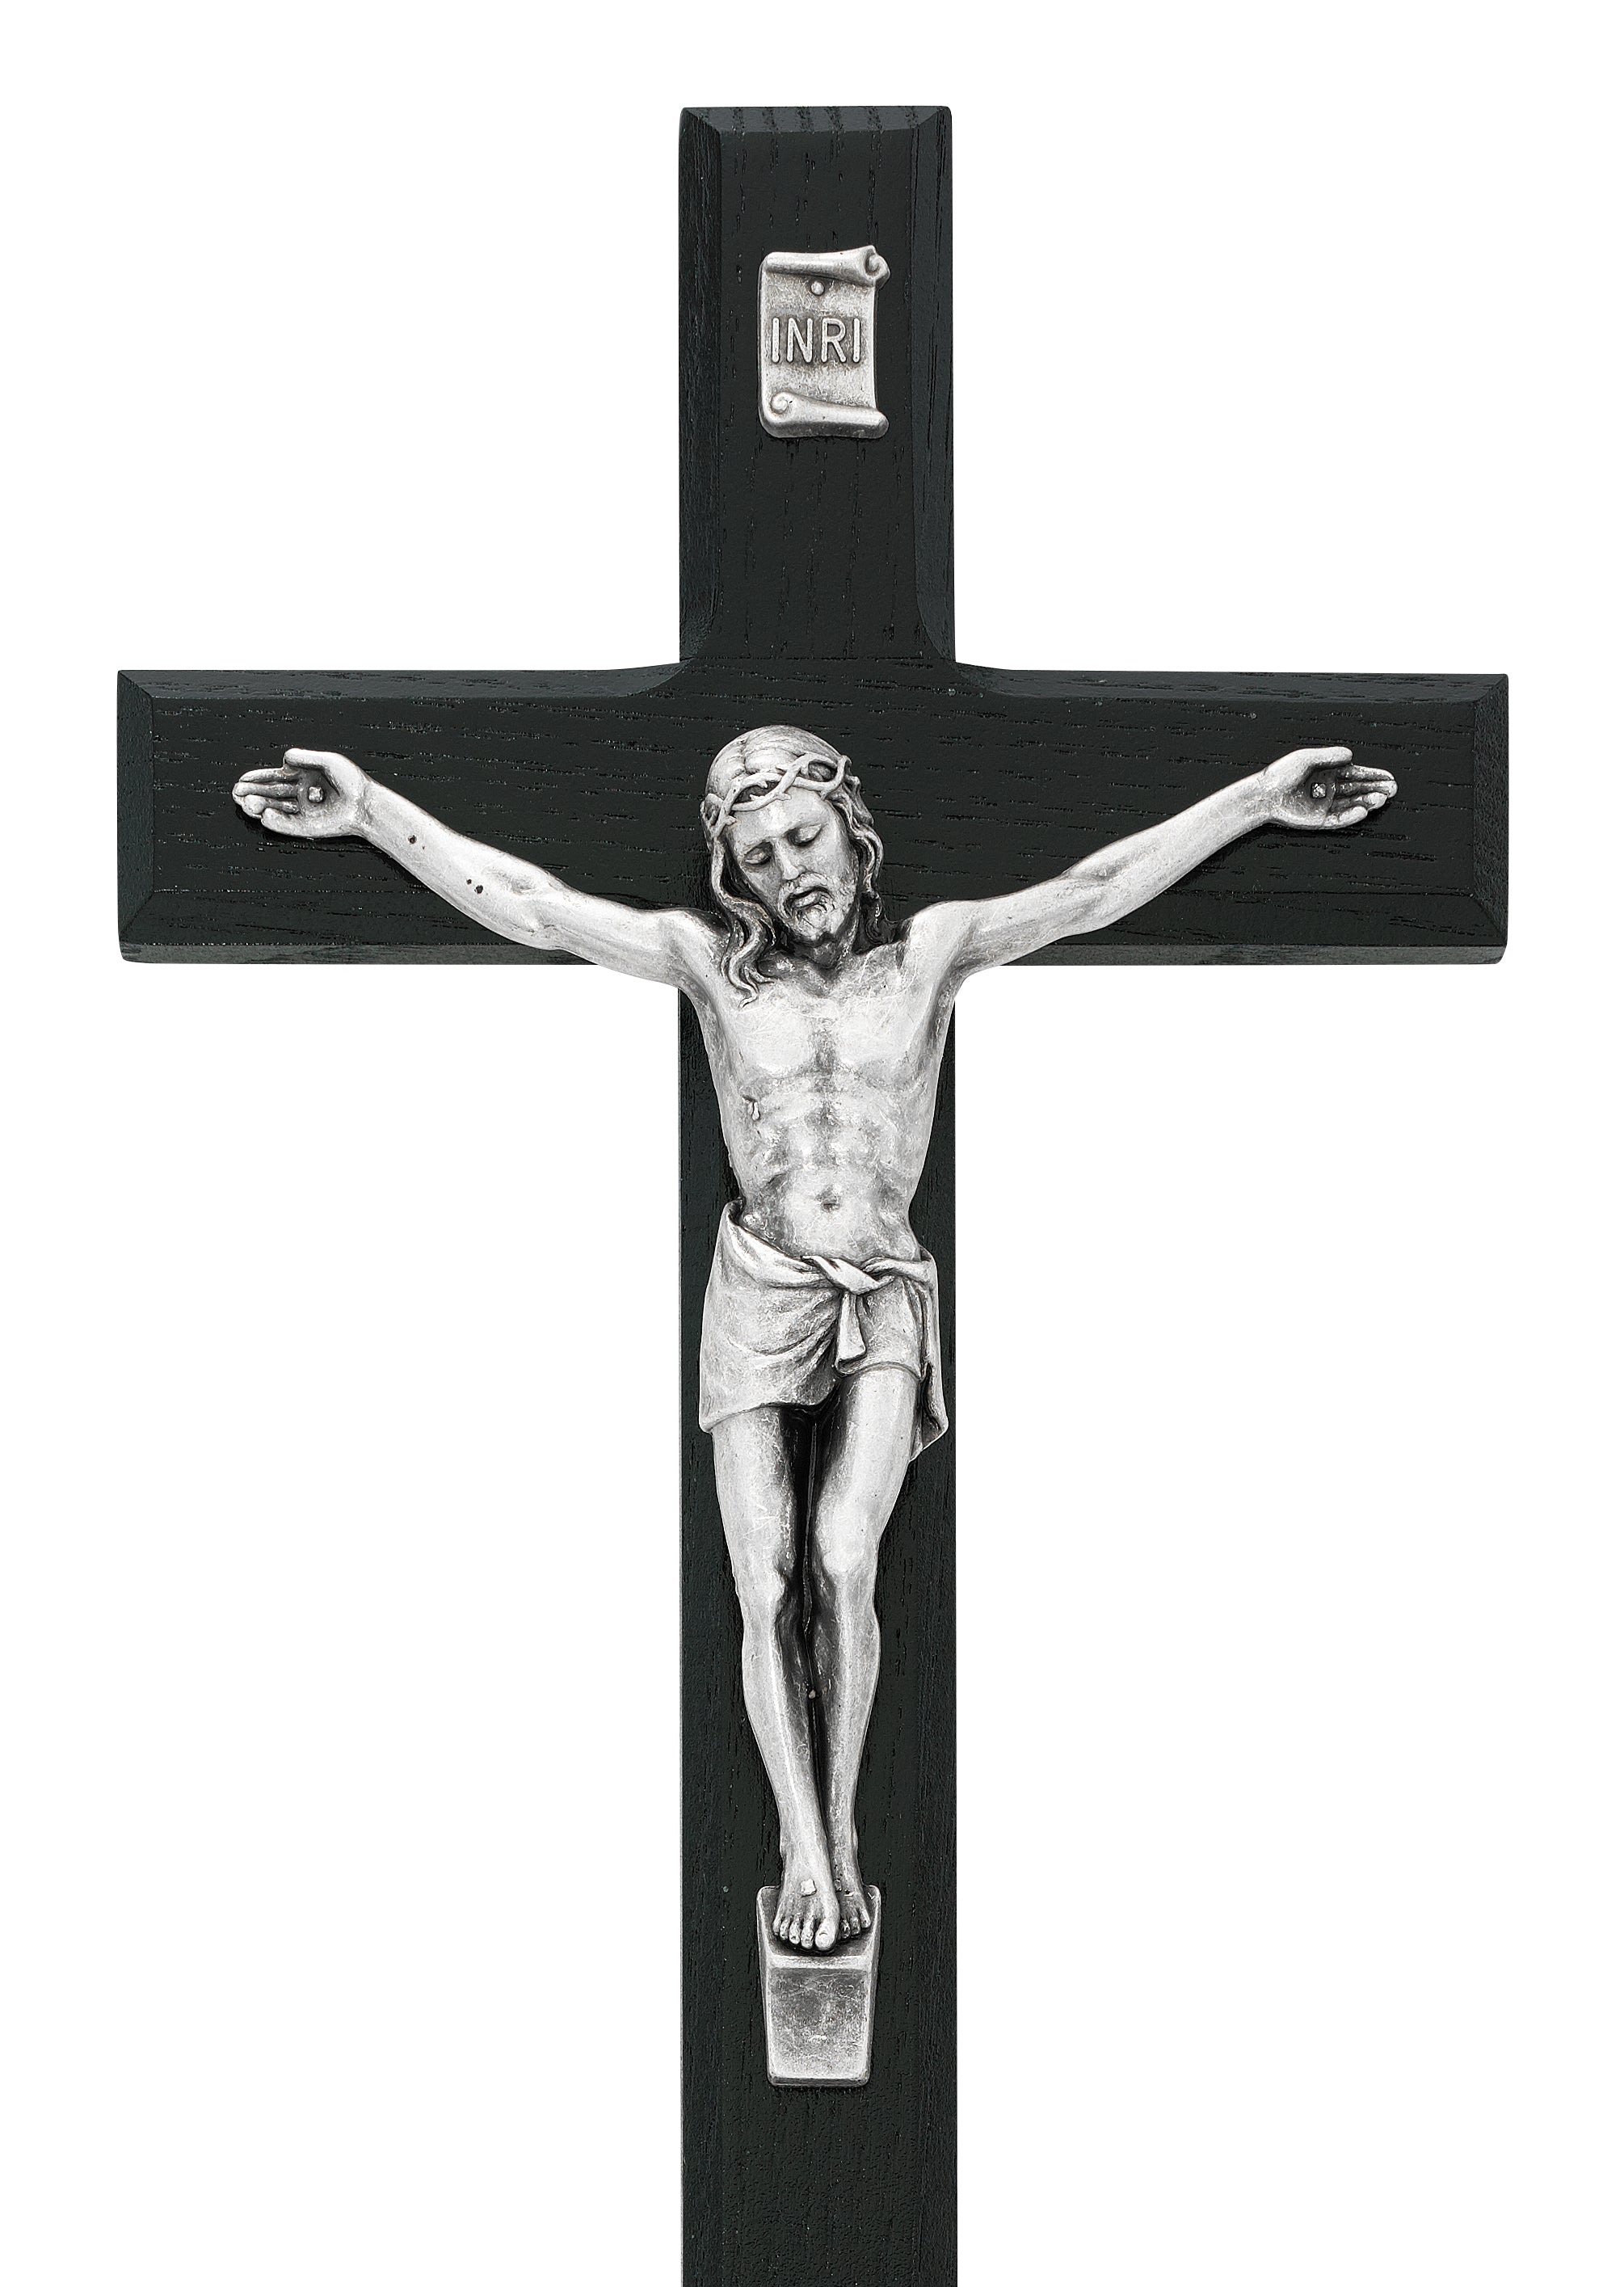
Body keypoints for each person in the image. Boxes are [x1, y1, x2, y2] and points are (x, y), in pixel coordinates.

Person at [234, 724, 1395, 1952]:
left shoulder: (931, 955)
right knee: (766, 1577)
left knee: (845, 1556)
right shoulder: (711, 968)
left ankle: (840, 1830)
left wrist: (1257, 799)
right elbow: (529, 904)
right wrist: (370, 812)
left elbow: (1093, 888)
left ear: (851, 831)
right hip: (759, 1286)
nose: (789, 869)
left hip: (881, 1286)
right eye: (758, 855)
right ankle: (800, 1838)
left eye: (803, 837)